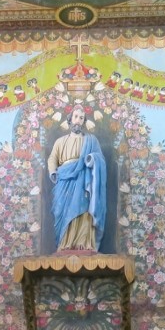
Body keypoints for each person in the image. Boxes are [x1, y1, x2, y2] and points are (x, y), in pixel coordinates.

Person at [47, 106, 107, 252]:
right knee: (61, 210)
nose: (78, 120)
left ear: (84, 121)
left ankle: (83, 243)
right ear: (70, 119)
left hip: (83, 177)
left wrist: (92, 159)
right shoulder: (60, 141)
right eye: (76, 117)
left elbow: (100, 159)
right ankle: (64, 244)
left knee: (83, 207)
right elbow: (53, 158)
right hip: (64, 178)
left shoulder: (91, 141)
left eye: (81, 118)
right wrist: (53, 172)